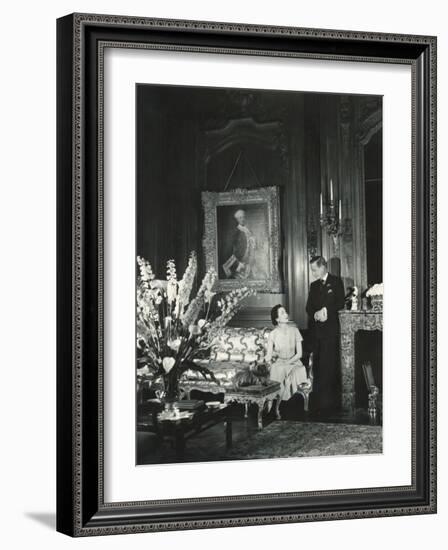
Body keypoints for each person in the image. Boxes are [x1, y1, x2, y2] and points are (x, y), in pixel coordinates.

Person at [305, 256, 345, 414]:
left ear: (323, 267)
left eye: (314, 269)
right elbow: (308, 307)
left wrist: (326, 311)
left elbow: (340, 302)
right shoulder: (313, 285)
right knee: (318, 366)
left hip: (330, 332)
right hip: (316, 333)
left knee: (330, 364)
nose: (313, 273)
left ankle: (331, 403)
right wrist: (315, 314)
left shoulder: (336, 282)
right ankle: (319, 403)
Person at [265, 304, 308, 402]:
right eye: (282, 313)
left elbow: (299, 354)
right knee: (277, 369)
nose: (286, 314)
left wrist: (288, 362)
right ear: (277, 319)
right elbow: (268, 355)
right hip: (280, 363)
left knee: (295, 371)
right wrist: (261, 361)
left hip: (294, 362)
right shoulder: (272, 334)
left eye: (286, 312)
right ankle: (275, 404)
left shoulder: (295, 331)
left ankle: (284, 400)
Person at [222, 209, 256, 279]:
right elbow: (228, 250)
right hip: (238, 265)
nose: (242, 219)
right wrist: (237, 264)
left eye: (244, 217)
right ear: (237, 219)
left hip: (247, 265)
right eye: (240, 218)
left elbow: (252, 248)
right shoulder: (235, 231)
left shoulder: (249, 231)